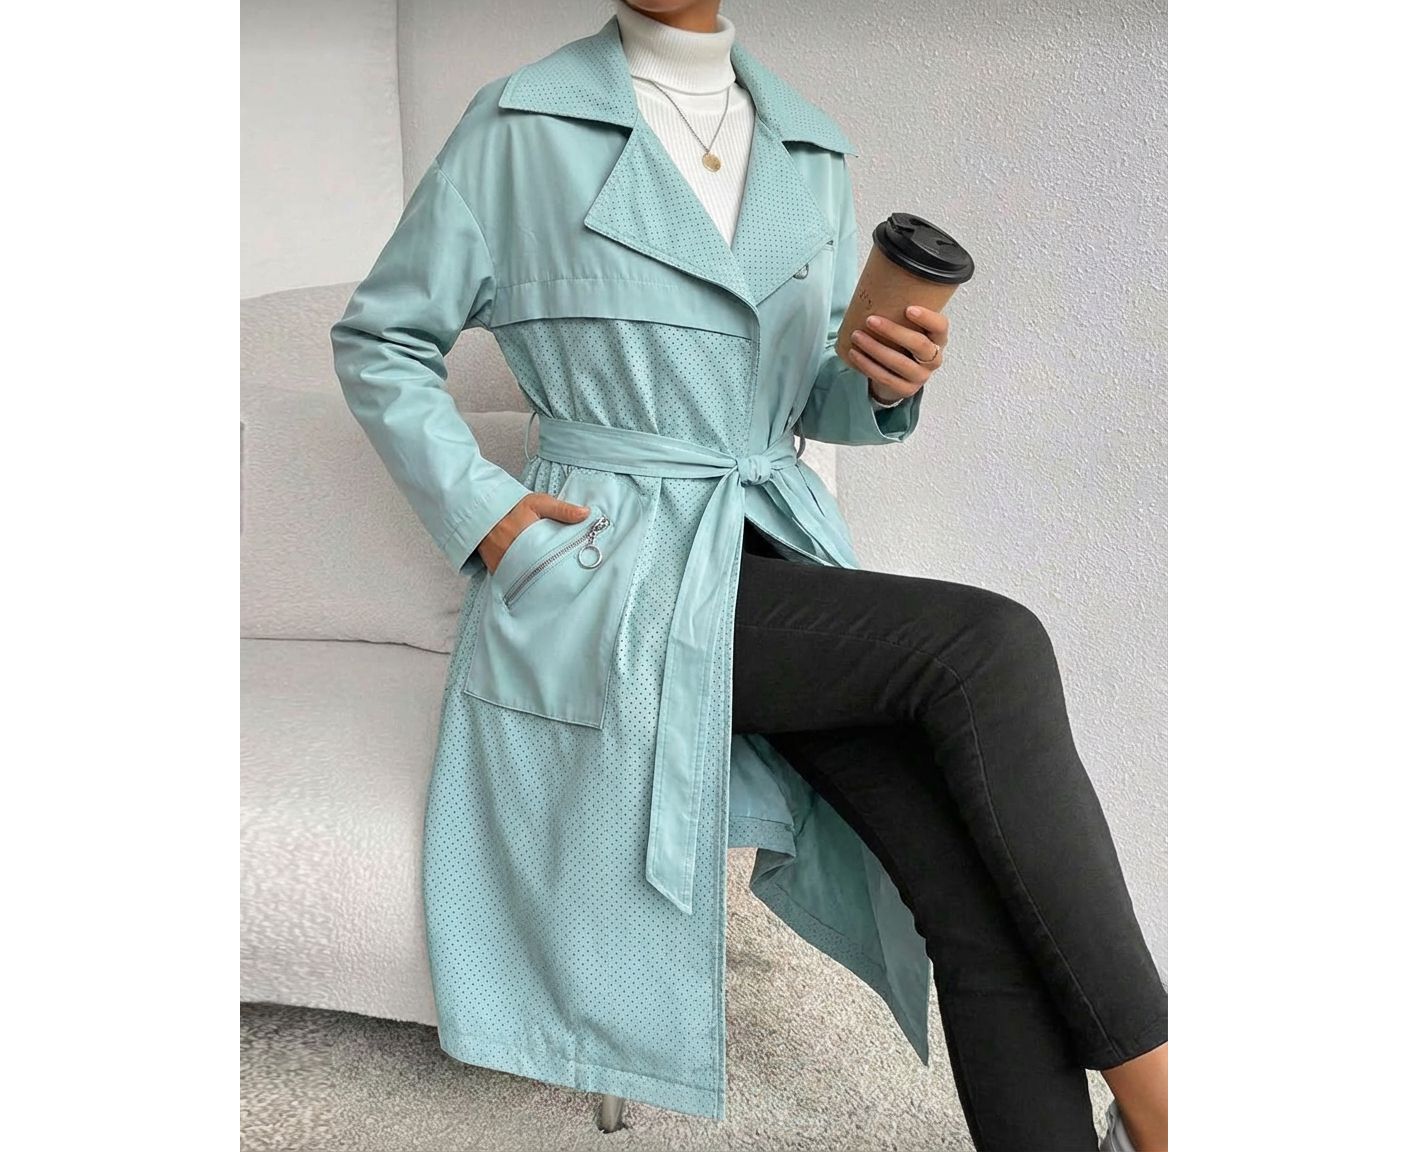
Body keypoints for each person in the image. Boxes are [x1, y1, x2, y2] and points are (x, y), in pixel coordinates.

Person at [333, 2, 1167, 1149]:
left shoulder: (807, 146)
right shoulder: (520, 125)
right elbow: (380, 339)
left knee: (971, 896)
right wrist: (487, 514)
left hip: (766, 544)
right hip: (612, 571)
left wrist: (881, 381)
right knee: (988, 643)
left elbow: (799, 394)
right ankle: (1167, 1102)